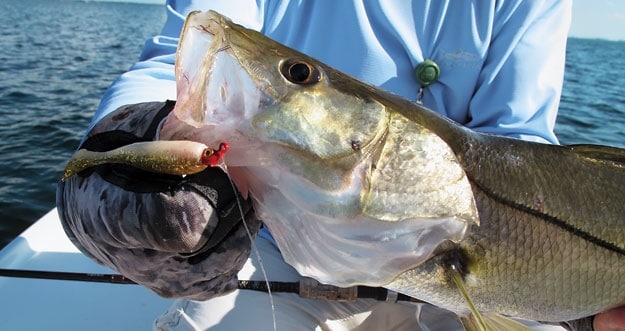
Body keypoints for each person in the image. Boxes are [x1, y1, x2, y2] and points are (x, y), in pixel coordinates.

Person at [56, 0, 625, 330]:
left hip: (461, 267)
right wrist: (132, 134)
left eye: (297, 77)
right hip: (278, 247)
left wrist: (561, 288)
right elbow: (181, 54)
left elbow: (517, 142)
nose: (292, 79)